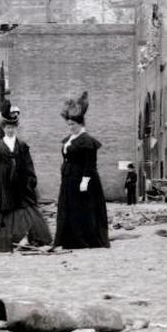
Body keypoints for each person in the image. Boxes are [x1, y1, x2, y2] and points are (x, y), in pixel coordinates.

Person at [0, 86, 52, 253]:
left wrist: (30, 181)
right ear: (3, 127)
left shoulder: (22, 146)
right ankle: (6, 243)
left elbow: (29, 166)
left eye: (13, 126)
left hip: (22, 187)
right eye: (7, 126)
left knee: (29, 213)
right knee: (7, 215)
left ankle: (36, 239)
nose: (10, 129)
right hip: (5, 188)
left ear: (16, 127)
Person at [54, 91, 110, 249]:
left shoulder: (87, 141)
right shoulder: (70, 139)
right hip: (69, 179)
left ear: (81, 124)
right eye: (69, 124)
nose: (70, 127)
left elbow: (90, 164)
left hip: (81, 180)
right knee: (69, 208)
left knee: (81, 209)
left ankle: (83, 239)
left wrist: (85, 181)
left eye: (73, 125)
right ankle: (68, 239)